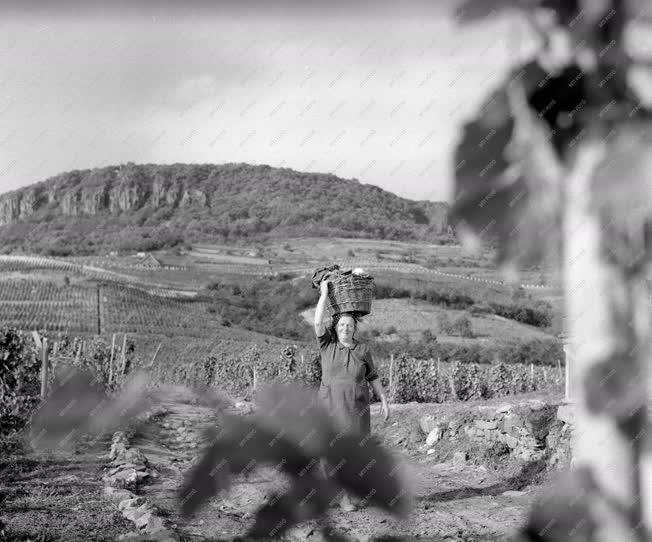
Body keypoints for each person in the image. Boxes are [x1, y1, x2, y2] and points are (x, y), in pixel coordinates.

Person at [314, 279, 390, 512]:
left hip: (358, 408)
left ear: (354, 329)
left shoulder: (363, 349)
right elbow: (317, 321)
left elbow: (373, 376)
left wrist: (384, 400)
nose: (345, 329)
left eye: (349, 326)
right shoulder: (327, 345)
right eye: (341, 326)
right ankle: (340, 496)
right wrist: (325, 293)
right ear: (335, 329)